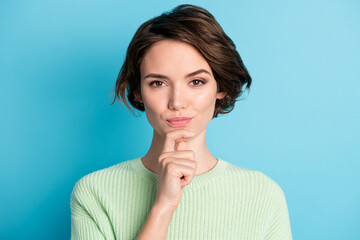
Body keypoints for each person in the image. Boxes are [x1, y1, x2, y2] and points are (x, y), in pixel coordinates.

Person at [70, 4, 292, 240]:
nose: (177, 102)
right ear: (137, 92)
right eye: (158, 83)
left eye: (196, 82)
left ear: (221, 87)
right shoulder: (95, 192)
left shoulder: (263, 194)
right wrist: (163, 205)